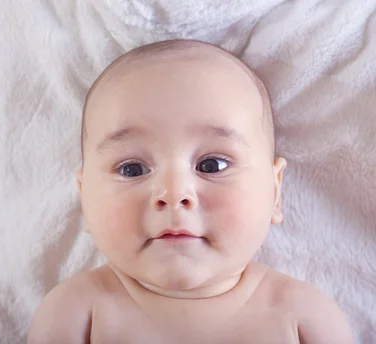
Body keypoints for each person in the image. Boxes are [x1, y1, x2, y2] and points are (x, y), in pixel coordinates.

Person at [27, 39, 355, 344]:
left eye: (212, 165)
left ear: (275, 191)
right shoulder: (77, 313)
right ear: (85, 198)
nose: (173, 194)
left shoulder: (303, 317)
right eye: (132, 169)